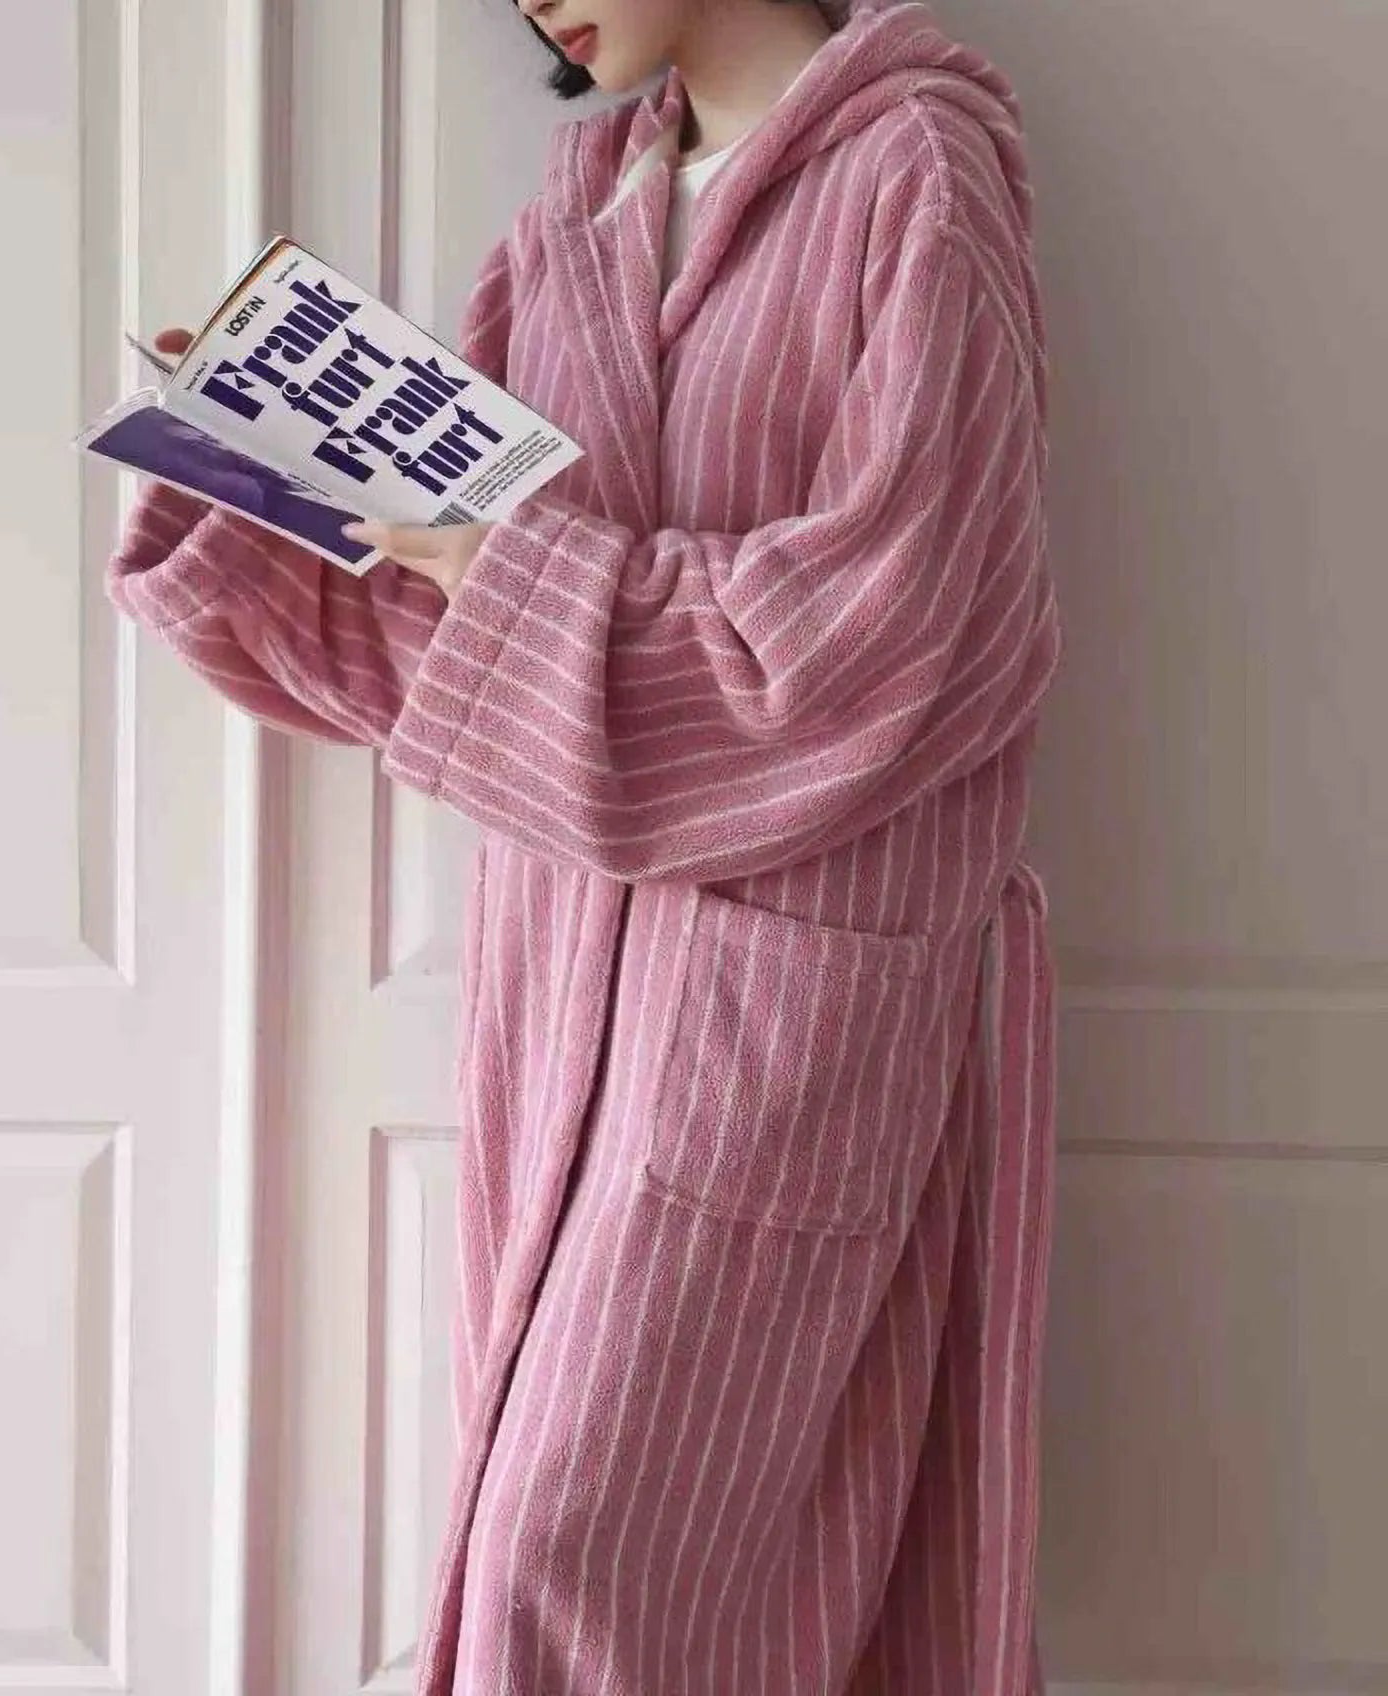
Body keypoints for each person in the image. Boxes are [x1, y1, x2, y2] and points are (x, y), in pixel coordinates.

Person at [108, 1, 1063, 1690]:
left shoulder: (916, 172)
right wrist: (267, 473)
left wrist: (516, 576)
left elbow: (916, 618)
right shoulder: (577, 219)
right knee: (559, 1548)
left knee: (582, 1550)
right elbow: (460, 640)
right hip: (562, 992)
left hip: (786, 1000)